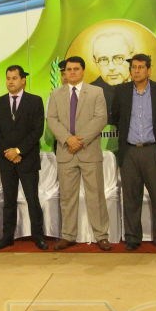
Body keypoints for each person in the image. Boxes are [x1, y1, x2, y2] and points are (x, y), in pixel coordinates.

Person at [111, 53, 156, 251]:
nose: (136, 71)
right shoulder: (121, 92)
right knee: (131, 197)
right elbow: (115, 118)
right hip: (130, 151)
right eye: (133, 68)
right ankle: (132, 237)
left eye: (140, 67)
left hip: (153, 150)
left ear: (149, 70)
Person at [47, 56, 111, 251]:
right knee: (67, 197)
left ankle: (101, 235)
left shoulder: (96, 92)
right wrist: (68, 139)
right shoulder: (56, 94)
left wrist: (79, 140)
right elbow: (52, 119)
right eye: (69, 69)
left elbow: (100, 118)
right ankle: (68, 235)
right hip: (66, 152)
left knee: (96, 196)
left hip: (89, 151)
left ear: (83, 71)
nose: (72, 72)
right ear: (64, 72)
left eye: (76, 69)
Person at [0, 65, 48, 250]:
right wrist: (8, 151)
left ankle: (38, 236)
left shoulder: (35, 101)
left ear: (23, 80)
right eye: (8, 78)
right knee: (9, 201)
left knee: (32, 199)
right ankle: (7, 236)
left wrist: (19, 151)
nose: (10, 82)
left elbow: (37, 130)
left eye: (14, 78)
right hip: (6, 160)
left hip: (27, 159)